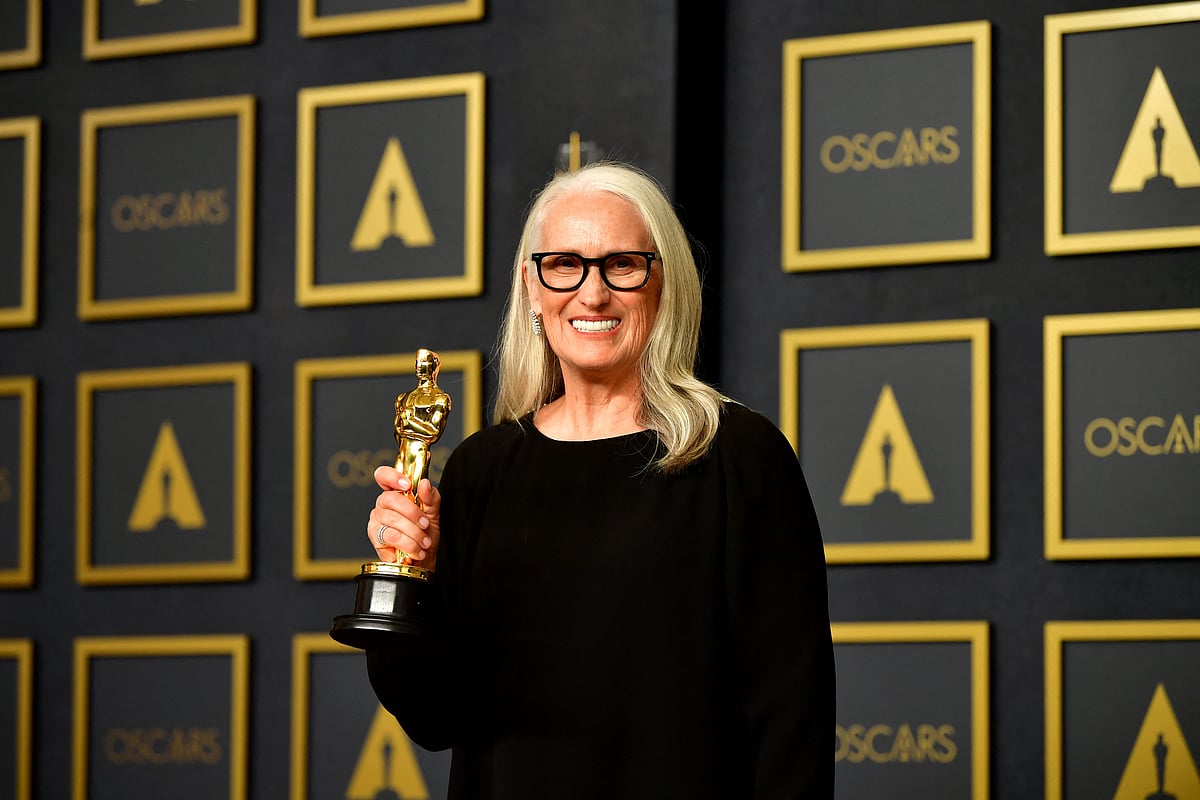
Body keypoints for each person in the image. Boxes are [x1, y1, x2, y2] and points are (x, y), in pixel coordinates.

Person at [365, 161, 834, 797]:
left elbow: (791, 719)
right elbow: (433, 715)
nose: (591, 294)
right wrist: (408, 573)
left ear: (662, 283)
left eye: (622, 264)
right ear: (531, 286)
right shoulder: (481, 468)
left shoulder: (738, 457)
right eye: (564, 264)